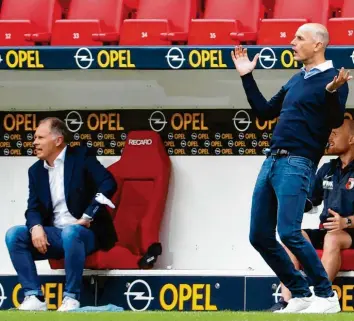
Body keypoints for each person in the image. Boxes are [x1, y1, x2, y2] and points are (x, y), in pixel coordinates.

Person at [231, 22, 352, 313]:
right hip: (272, 160)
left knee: (288, 232)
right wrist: (247, 77)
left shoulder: (335, 79)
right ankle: (299, 292)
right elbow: (264, 112)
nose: (291, 42)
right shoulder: (296, 79)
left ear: (318, 44)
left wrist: (333, 92)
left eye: (299, 38)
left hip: (298, 162)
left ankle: (326, 296)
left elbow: (335, 120)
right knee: (258, 235)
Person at [5, 117, 118, 312]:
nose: (35, 142)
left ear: (58, 140)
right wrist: (35, 227)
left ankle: (71, 298)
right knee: (14, 235)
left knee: (71, 233)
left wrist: (88, 215)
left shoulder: (82, 156)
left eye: (40, 137)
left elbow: (108, 183)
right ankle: (33, 296)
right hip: (55, 235)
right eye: (34, 138)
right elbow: (33, 208)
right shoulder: (35, 171)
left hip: (85, 234)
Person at [270, 119, 354, 312]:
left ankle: (322, 297)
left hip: (349, 231)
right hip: (328, 231)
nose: (329, 138)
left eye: (334, 134)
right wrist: (290, 201)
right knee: (292, 235)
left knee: (333, 238)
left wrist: (346, 222)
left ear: (351, 139)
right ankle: (290, 300)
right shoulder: (327, 169)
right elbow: (310, 201)